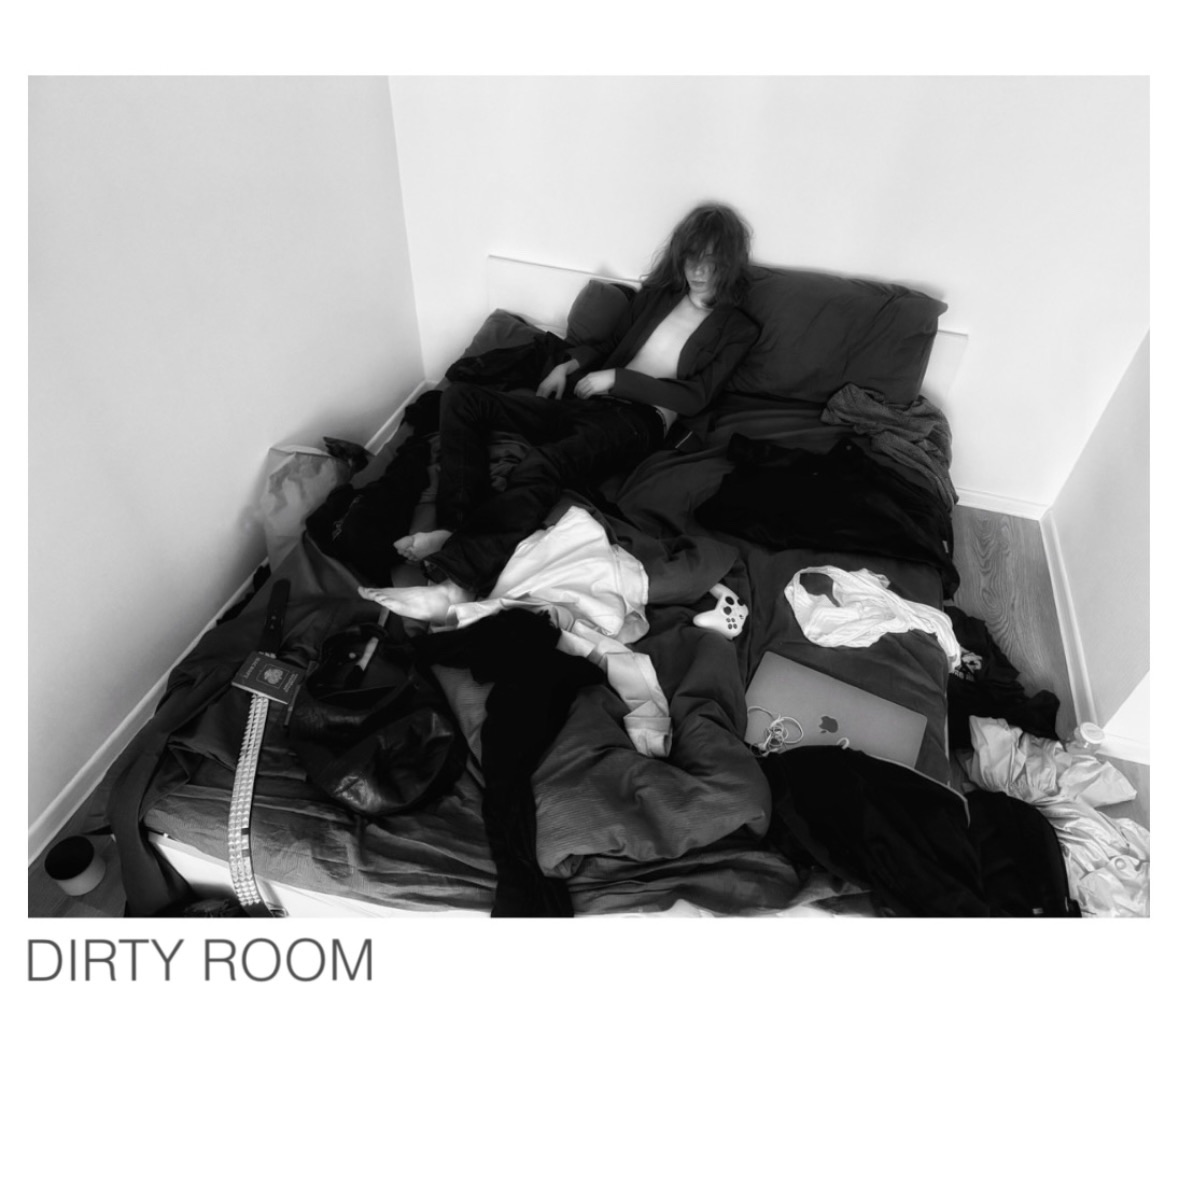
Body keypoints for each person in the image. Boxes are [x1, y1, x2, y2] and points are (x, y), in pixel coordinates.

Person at [365, 201, 760, 623]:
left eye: (711, 260)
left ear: (729, 262)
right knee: (462, 397)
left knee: (544, 463)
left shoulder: (738, 328)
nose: (698, 270)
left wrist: (618, 380)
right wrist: (567, 366)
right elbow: (611, 345)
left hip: (637, 421)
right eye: (692, 256)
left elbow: (696, 396)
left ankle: (455, 584)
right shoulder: (658, 296)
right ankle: (454, 527)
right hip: (588, 401)